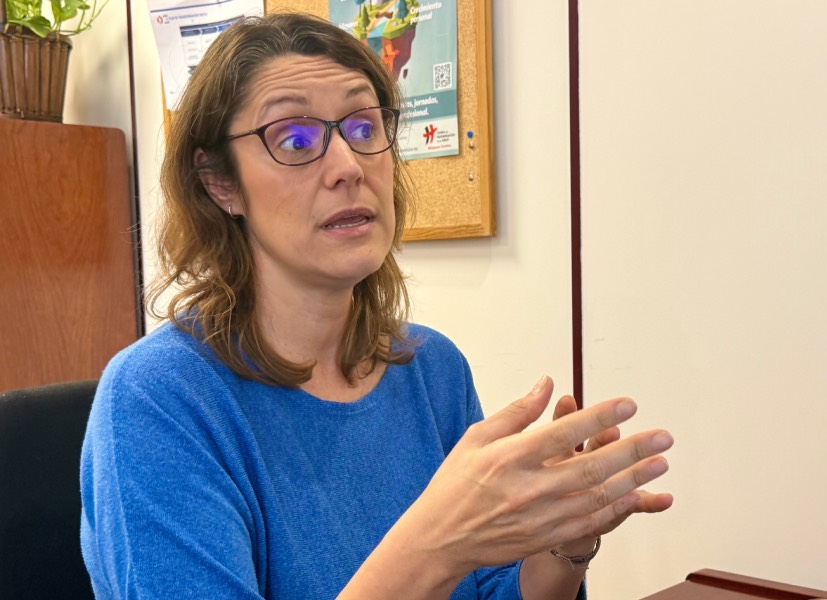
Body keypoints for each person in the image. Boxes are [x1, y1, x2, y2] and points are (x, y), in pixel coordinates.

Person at [79, 12, 674, 600]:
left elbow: (494, 590)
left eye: (364, 129)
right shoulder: (156, 398)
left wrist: (562, 541)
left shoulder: (431, 367)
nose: (347, 167)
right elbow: (446, 553)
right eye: (295, 139)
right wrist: (439, 543)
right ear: (220, 183)